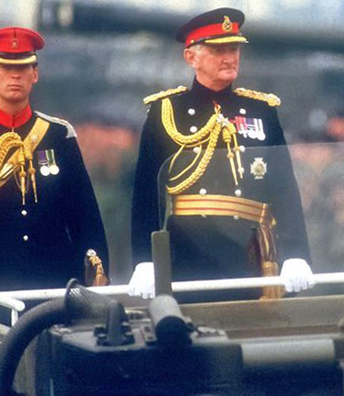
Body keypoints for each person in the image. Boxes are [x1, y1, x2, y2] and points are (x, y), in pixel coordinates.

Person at [129, 8, 313, 300]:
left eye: (234, 48)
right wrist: (144, 259)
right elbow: (145, 195)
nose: (229, 57)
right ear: (191, 57)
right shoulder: (165, 112)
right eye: (218, 50)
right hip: (187, 255)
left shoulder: (261, 111)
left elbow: (283, 187)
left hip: (248, 253)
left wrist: (296, 253)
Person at [0, 27, 109, 291]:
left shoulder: (58, 135)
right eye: (5, 67)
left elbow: (84, 215)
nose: (15, 75)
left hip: (52, 279)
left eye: (24, 68)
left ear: (34, 74)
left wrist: (97, 268)